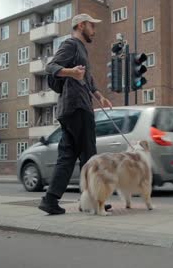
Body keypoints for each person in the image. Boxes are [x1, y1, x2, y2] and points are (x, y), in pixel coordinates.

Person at [38, 14, 113, 215]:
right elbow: (50, 67)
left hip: (69, 108)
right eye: (92, 26)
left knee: (67, 156)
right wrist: (71, 72)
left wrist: (99, 95)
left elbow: (87, 79)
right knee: (90, 155)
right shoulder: (71, 44)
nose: (94, 31)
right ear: (81, 25)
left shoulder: (81, 49)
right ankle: (96, 200)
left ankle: (50, 200)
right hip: (77, 107)